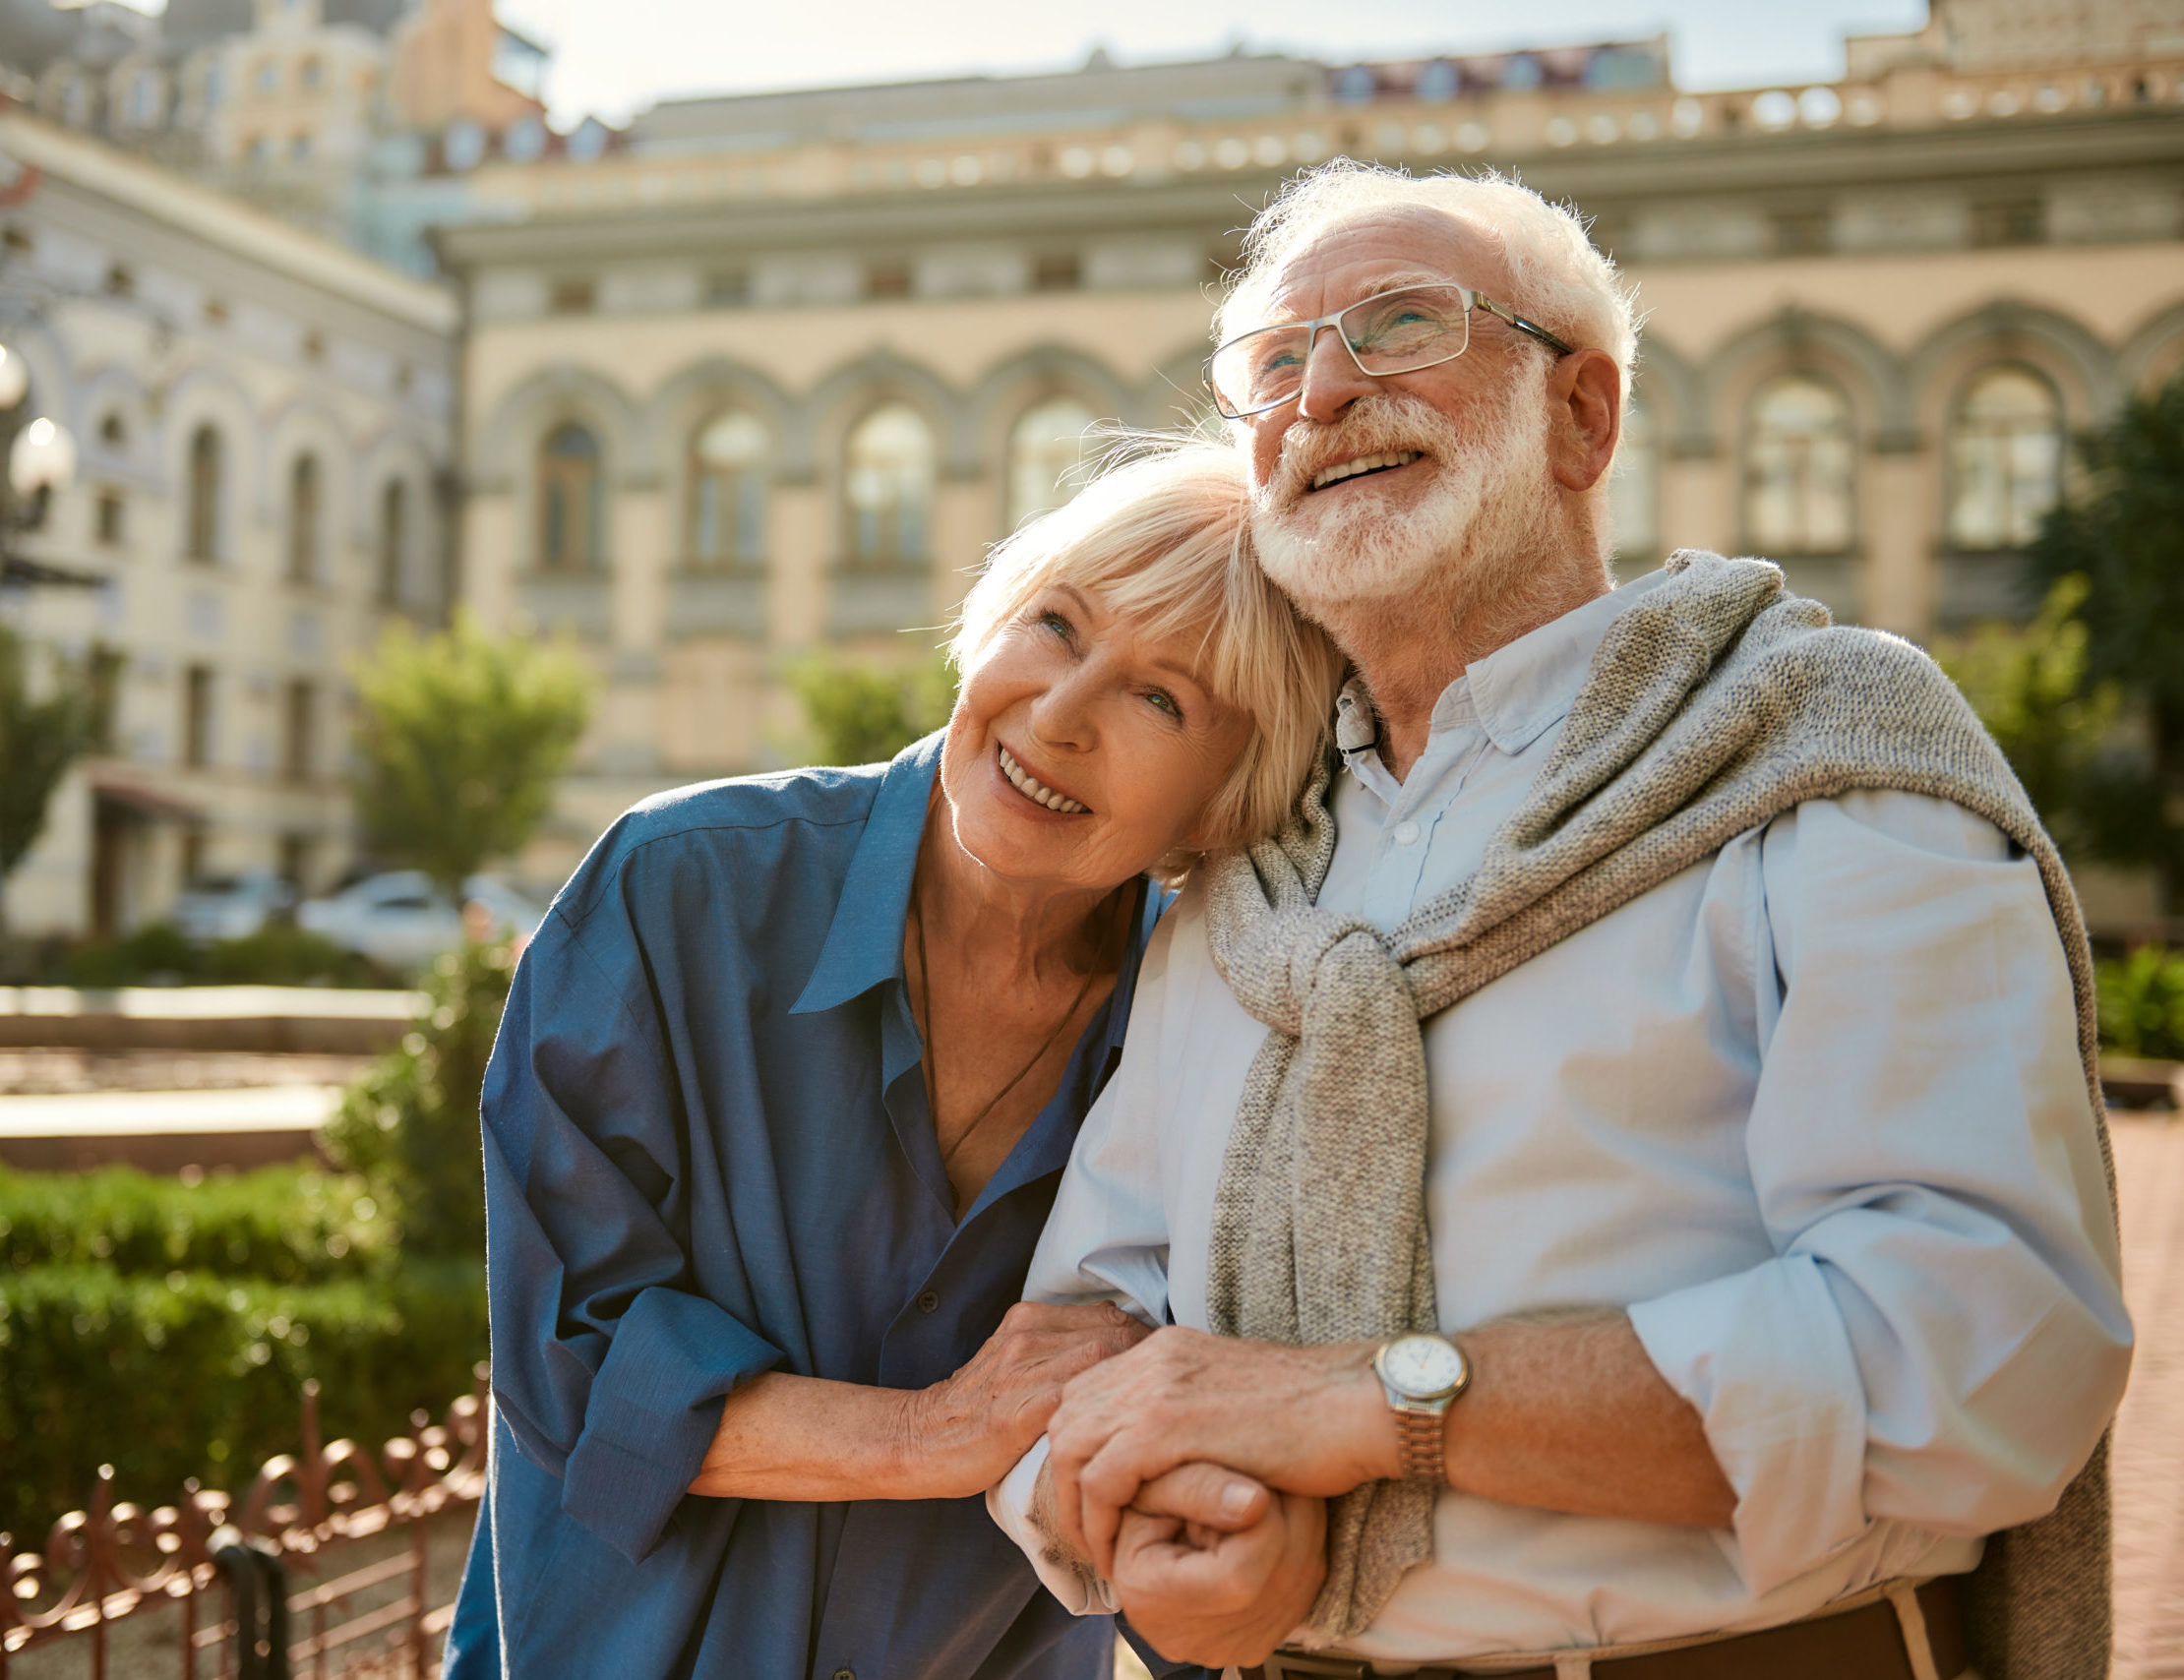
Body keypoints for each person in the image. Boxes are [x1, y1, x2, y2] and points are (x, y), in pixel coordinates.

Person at [989, 161, 2132, 1680]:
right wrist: (1152, 1542)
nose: (1321, 390)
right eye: (1271, 362)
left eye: (1401, 324)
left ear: (1582, 416)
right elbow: (1091, 1334)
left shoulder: (1819, 747)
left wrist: (1369, 1407)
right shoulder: (1245, 871)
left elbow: (1977, 1355)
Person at [440, 440, 1345, 1680]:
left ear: (1225, 800)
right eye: (1058, 625)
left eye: (1162, 699)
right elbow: (575, 1368)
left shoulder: (1213, 1025)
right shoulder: (677, 891)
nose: (1060, 713)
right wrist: (937, 1433)